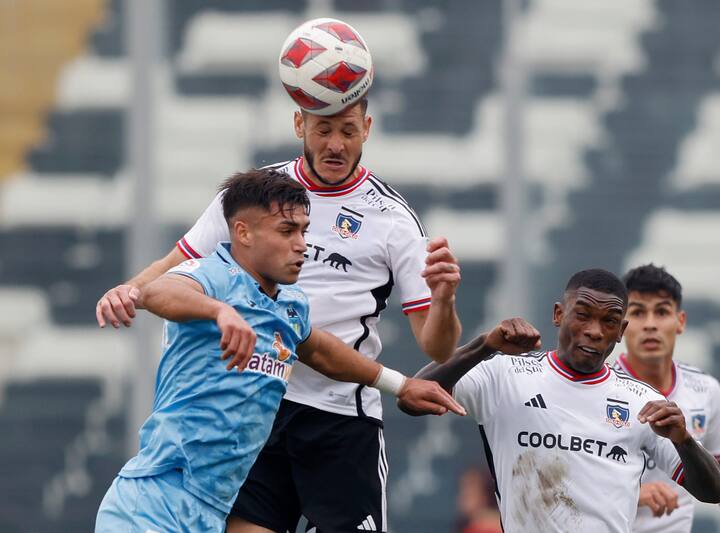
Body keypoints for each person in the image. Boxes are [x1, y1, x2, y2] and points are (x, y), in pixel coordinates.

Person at [97, 78, 461, 533]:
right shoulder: (252, 206)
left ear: (367, 128)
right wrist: (129, 291)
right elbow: (171, 274)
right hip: (258, 415)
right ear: (298, 124)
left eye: (348, 130)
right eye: (322, 129)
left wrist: (439, 308)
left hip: (341, 420)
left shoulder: (388, 223)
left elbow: (414, 346)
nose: (335, 144)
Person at [400, 269, 720, 532]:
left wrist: (684, 440)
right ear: (558, 314)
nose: (594, 331)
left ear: (621, 330)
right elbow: (413, 396)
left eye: (609, 321)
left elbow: (712, 492)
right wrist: (485, 345)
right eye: (582, 315)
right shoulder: (504, 375)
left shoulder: (641, 401)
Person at [615, 264, 720, 533]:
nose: (650, 324)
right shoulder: (601, 390)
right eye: (637, 312)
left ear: (680, 321)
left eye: (661, 311)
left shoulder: (705, 390)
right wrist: (634, 493)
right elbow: (570, 481)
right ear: (622, 325)